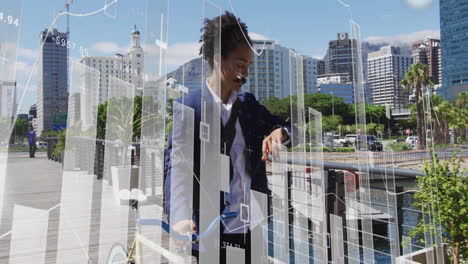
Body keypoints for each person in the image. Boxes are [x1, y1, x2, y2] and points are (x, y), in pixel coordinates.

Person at [164, 11, 292, 263]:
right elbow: (177, 166)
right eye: (239, 64)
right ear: (216, 59)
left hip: (251, 223)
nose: (244, 74)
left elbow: (290, 128)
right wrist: (179, 215)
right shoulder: (189, 107)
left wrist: (281, 133)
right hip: (211, 229)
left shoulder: (249, 105)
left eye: (248, 67)